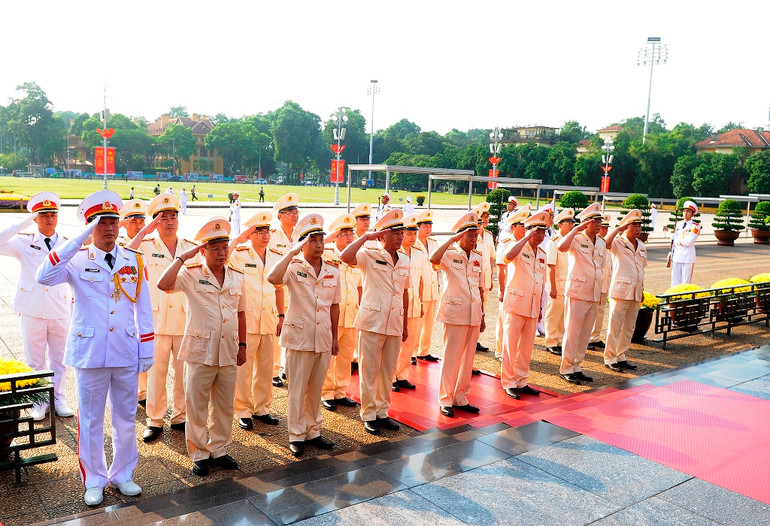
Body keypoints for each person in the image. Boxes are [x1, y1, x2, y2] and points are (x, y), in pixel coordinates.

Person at [36, 190, 154, 506]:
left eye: (113, 221)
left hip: (125, 350)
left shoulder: (134, 260)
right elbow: (43, 276)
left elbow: (144, 308)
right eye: (100, 222)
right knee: (89, 420)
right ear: (89, 226)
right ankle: (95, 478)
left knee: (126, 417)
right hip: (90, 353)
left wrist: (147, 349)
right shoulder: (76, 258)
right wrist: (77, 240)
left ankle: (123, 474)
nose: (109, 228)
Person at [156, 217, 246, 477]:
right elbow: (163, 284)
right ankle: (199, 452)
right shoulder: (191, 274)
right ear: (203, 250)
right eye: (215, 248)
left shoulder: (237, 276)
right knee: (196, 405)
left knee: (224, 404)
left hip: (229, 350)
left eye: (224, 247)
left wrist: (243, 345)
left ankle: (219, 448)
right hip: (199, 351)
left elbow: (241, 313)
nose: (222, 252)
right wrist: (182, 258)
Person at [267, 214, 340, 457]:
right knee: (297, 389)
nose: (319, 245)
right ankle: (296, 434)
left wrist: (335, 338)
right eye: (313, 240)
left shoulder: (332, 269)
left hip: (322, 336)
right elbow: (272, 278)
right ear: (302, 244)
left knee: (316, 388)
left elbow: (335, 306)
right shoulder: (293, 267)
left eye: (321, 240)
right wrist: (291, 253)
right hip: (299, 337)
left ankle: (313, 431)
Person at [129, 193, 198, 443]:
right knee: (156, 373)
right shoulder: (147, 245)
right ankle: (155, 420)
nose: (169, 221)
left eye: (173, 216)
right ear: (156, 221)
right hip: (156, 321)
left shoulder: (190, 247)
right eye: (163, 217)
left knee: (183, 373)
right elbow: (127, 252)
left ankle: (180, 416)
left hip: (184, 320)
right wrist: (147, 229)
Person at [0, 192, 74, 420]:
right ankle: (39, 400)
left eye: (53, 214)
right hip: (32, 307)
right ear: (35, 218)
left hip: (60, 307)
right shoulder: (24, 241)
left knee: (59, 358)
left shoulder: (67, 243)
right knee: (34, 359)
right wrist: (20, 223)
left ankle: (59, 397)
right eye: (43, 215)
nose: (49, 218)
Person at [340, 209, 409, 435]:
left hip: (395, 322)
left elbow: (404, 292)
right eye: (395, 233)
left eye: (401, 233)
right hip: (372, 321)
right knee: (369, 371)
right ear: (382, 236)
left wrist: (405, 324)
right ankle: (368, 414)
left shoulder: (405, 259)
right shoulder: (369, 255)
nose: (400, 237)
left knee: (387, 370)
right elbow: (345, 257)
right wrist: (365, 238)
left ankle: (382, 411)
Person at [228, 211, 284, 429]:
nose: (264, 235)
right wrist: (238, 238)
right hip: (248, 320)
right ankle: (243, 409)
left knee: (266, 367)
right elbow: (223, 256)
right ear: (250, 235)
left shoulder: (276, 255)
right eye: (258, 232)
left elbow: (278, 287)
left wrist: (281, 315)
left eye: (267, 231)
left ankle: (262, 408)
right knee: (244, 368)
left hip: (269, 318)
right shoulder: (240, 254)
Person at [429, 212, 485, 418]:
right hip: (455, 313)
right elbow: (433, 258)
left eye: (475, 235)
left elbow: (480, 287)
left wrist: (483, 315)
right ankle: (445, 398)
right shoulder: (450, 254)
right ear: (460, 236)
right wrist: (451, 240)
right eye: (469, 235)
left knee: (468, 359)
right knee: (452, 358)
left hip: (473, 314)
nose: (473, 239)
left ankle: (461, 397)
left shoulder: (478, 256)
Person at [501, 211, 549, 399]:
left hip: (532, 305)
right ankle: (509, 382)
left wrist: (539, 308)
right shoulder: (517, 247)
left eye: (542, 233)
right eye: (536, 232)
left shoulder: (542, 254)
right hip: (516, 303)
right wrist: (526, 238)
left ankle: (521, 380)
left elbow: (541, 283)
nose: (540, 236)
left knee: (526, 347)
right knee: (510, 345)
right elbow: (508, 257)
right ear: (529, 231)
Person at [557, 202, 606, 385]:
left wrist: (601, 292)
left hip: (593, 293)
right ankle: (566, 368)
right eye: (595, 221)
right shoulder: (576, 238)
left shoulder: (600, 241)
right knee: (572, 332)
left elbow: (602, 267)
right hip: (577, 293)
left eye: (599, 220)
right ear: (586, 223)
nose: (599, 224)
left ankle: (577, 365)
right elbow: (561, 247)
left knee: (585, 333)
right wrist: (576, 229)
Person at [321, 213, 361, 412]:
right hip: (331, 314)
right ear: (335, 236)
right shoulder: (326, 254)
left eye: (350, 234)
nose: (349, 238)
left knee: (345, 354)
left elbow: (360, 285)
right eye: (344, 234)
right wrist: (327, 238)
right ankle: (327, 392)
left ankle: (340, 391)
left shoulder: (356, 256)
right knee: (329, 355)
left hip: (351, 313)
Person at [603, 210, 646, 372]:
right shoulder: (618, 243)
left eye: (639, 226)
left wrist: (642, 290)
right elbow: (605, 243)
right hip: (620, 291)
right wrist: (619, 228)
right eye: (634, 225)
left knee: (628, 327)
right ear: (626, 227)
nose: (638, 229)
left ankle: (621, 356)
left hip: (635, 291)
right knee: (615, 326)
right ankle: (610, 357)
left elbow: (641, 269)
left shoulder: (641, 245)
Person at [268, 193, 300, 386]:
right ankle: (272, 370)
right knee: (275, 331)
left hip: (295, 290)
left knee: (294, 330)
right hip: (276, 290)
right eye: (289, 212)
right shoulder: (271, 236)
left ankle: (287, 368)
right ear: (280, 215)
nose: (294, 215)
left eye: (296, 211)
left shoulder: (299, 236)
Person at [392, 214, 424, 392]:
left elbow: (420, 279)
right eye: (409, 233)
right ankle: (390, 377)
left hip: (413, 302)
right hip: (397, 303)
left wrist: (421, 301)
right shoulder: (394, 253)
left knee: (409, 342)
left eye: (414, 233)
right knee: (395, 342)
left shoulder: (418, 252)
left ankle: (402, 375)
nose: (413, 236)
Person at [495, 207, 530, 361]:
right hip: (508, 287)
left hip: (520, 286)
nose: (523, 229)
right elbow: (501, 267)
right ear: (512, 227)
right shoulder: (506, 242)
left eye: (525, 226)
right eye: (520, 225)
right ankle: (500, 351)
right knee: (504, 320)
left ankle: (511, 351)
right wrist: (502, 290)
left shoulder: (525, 243)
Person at [543, 208, 574, 356]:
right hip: (557, 282)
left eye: (571, 223)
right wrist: (553, 287)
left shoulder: (572, 241)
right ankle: (551, 341)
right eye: (567, 223)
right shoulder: (553, 242)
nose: (570, 226)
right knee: (553, 314)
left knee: (563, 315)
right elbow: (551, 266)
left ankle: (560, 340)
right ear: (559, 225)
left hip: (568, 283)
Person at [415, 210, 440, 362]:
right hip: (420, 288)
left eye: (430, 226)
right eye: (425, 226)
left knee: (429, 323)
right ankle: (412, 352)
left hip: (432, 288)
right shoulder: (414, 244)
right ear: (418, 227)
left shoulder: (434, 243)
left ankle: (424, 350)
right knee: (417, 323)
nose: (428, 229)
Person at [472, 202, 495, 352]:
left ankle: (476, 340)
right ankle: (471, 339)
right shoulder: (472, 235)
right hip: (474, 279)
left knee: (482, 309)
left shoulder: (488, 236)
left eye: (486, 218)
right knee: (473, 307)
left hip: (485, 278)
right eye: (482, 218)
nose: (485, 221)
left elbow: (491, 257)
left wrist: (492, 277)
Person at [588, 214, 612, 351]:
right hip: (594, 283)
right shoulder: (595, 243)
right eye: (603, 228)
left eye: (606, 228)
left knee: (600, 311)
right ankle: (588, 338)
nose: (604, 230)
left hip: (604, 283)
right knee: (591, 312)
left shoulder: (604, 244)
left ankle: (595, 336)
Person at [670, 200, 701, 287]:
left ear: (692, 213)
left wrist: (675, 238)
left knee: (685, 282)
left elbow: (688, 242)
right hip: (677, 255)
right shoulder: (678, 224)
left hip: (687, 257)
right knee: (675, 280)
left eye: (688, 211)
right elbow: (674, 243)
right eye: (684, 211)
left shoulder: (695, 226)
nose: (685, 213)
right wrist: (671, 253)